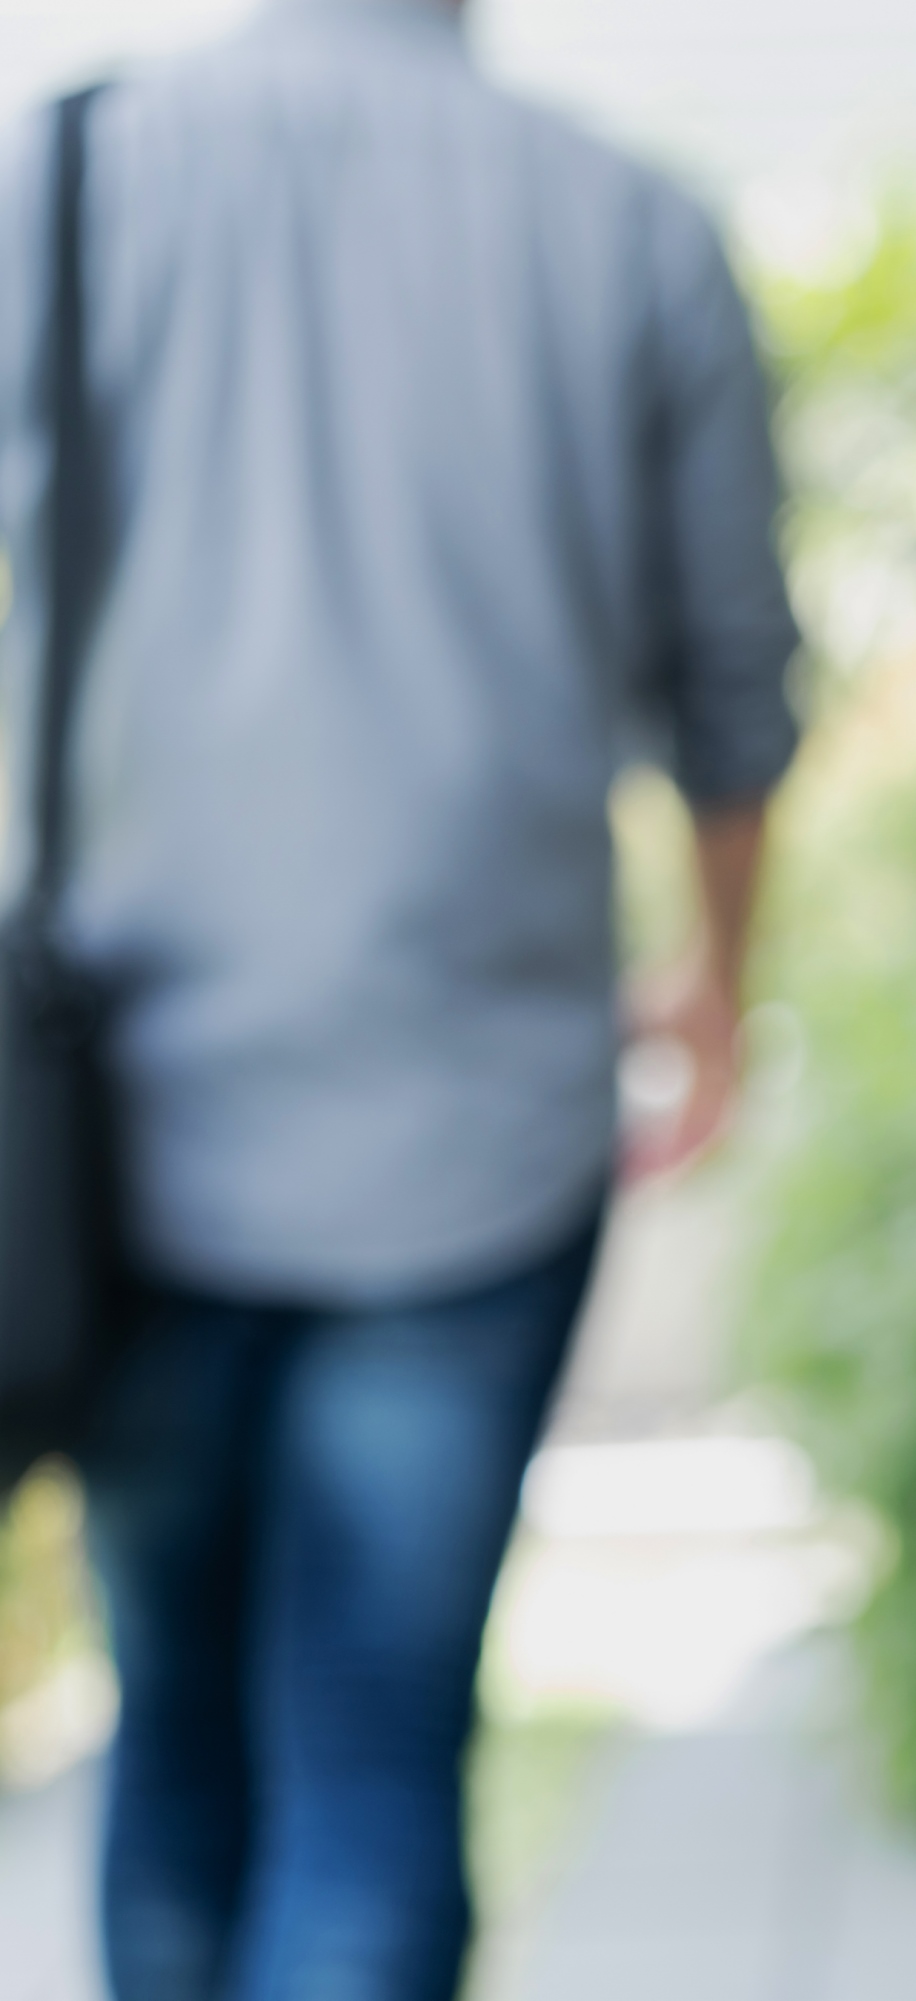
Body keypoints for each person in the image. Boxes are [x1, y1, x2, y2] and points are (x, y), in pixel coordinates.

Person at [0, 2, 802, 1995]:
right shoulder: (631, 225)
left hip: (124, 1126)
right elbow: (734, 687)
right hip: (480, 1122)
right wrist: (714, 985)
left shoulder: (67, 171)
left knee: (167, 1730)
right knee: (376, 1765)